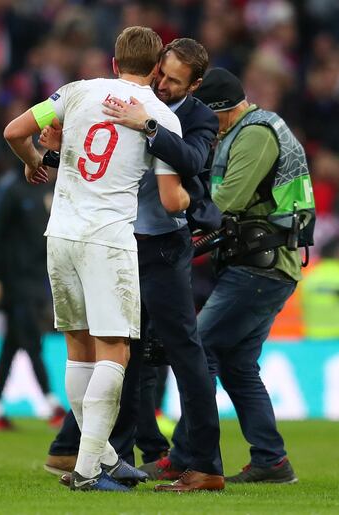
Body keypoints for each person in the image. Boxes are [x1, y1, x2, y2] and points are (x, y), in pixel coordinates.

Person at [3, 26, 191, 493]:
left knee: (78, 348)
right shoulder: (161, 116)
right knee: (115, 350)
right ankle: (88, 471)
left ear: (113, 62)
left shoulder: (75, 91)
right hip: (108, 239)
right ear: (155, 70)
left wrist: (34, 160)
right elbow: (170, 198)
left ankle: (103, 457)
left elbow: (14, 131)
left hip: (60, 234)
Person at [43, 38, 225, 493]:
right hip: (117, 242)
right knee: (124, 354)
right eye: (161, 73)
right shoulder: (130, 100)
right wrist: (54, 153)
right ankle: (112, 458)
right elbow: (92, 168)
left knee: (184, 350)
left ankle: (203, 463)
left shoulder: (192, 116)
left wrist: (147, 127)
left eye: (174, 80)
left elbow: (194, 161)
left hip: (162, 246)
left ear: (195, 84)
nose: (162, 84)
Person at [140, 67, 316, 484]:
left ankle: (185, 456)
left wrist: (181, 204)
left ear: (221, 110)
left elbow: (225, 200)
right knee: (237, 365)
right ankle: (272, 461)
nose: (206, 128)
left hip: (262, 265)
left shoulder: (255, 134)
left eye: (207, 116)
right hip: (262, 264)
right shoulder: (250, 129)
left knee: (196, 350)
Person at [0, 167, 66, 431]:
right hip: (13, 279)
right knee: (30, 338)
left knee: (14, 341)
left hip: (35, 278)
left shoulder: (46, 189)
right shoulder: (11, 187)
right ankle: (52, 405)